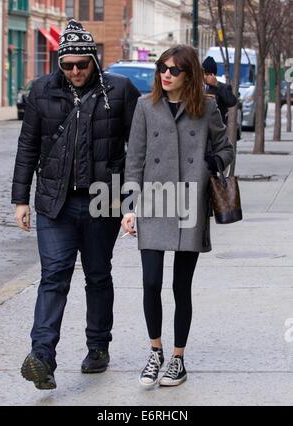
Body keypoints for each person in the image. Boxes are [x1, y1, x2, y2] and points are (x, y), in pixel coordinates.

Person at [12, 19, 140, 390]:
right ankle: (42, 358)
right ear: (58, 63)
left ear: (94, 61)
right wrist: (21, 198)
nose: (75, 71)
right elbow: (27, 146)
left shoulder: (119, 91)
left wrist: (130, 202)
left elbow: (137, 150)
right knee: (54, 276)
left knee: (98, 275)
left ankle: (98, 347)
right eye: (67, 65)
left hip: (104, 202)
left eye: (82, 64)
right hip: (56, 203)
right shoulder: (42, 91)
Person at [121, 45, 234, 388]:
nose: (165, 74)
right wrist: (128, 207)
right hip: (154, 203)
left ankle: (178, 359)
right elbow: (134, 160)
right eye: (161, 68)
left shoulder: (207, 107)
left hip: (189, 204)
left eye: (174, 69)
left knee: (180, 286)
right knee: (151, 282)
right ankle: (154, 352)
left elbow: (225, 149)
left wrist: (209, 165)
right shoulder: (145, 107)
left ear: (189, 75)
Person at [202, 56, 237, 125]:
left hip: (217, 128)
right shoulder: (198, 86)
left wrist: (217, 85)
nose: (205, 77)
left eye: (208, 74)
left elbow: (232, 101)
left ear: (213, 75)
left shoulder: (222, 87)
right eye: (203, 74)